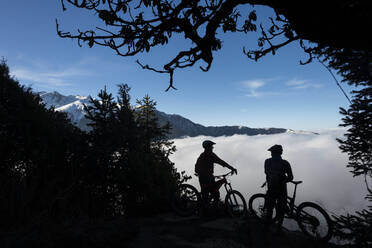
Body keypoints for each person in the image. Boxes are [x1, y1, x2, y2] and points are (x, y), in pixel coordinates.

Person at [195, 140, 237, 211]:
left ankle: (207, 210)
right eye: (211, 146)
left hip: (203, 177)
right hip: (207, 178)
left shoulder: (202, 154)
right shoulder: (211, 155)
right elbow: (221, 162)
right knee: (214, 194)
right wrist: (232, 168)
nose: (212, 147)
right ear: (208, 147)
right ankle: (207, 211)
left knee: (210, 194)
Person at [264, 144, 293, 233]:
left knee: (270, 209)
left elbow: (266, 173)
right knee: (281, 210)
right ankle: (279, 229)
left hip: (271, 188)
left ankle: (267, 228)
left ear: (272, 153)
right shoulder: (285, 163)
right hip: (282, 189)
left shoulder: (267, 162)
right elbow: (291, 177)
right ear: (280, 153)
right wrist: (283, 180)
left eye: (271, 152)